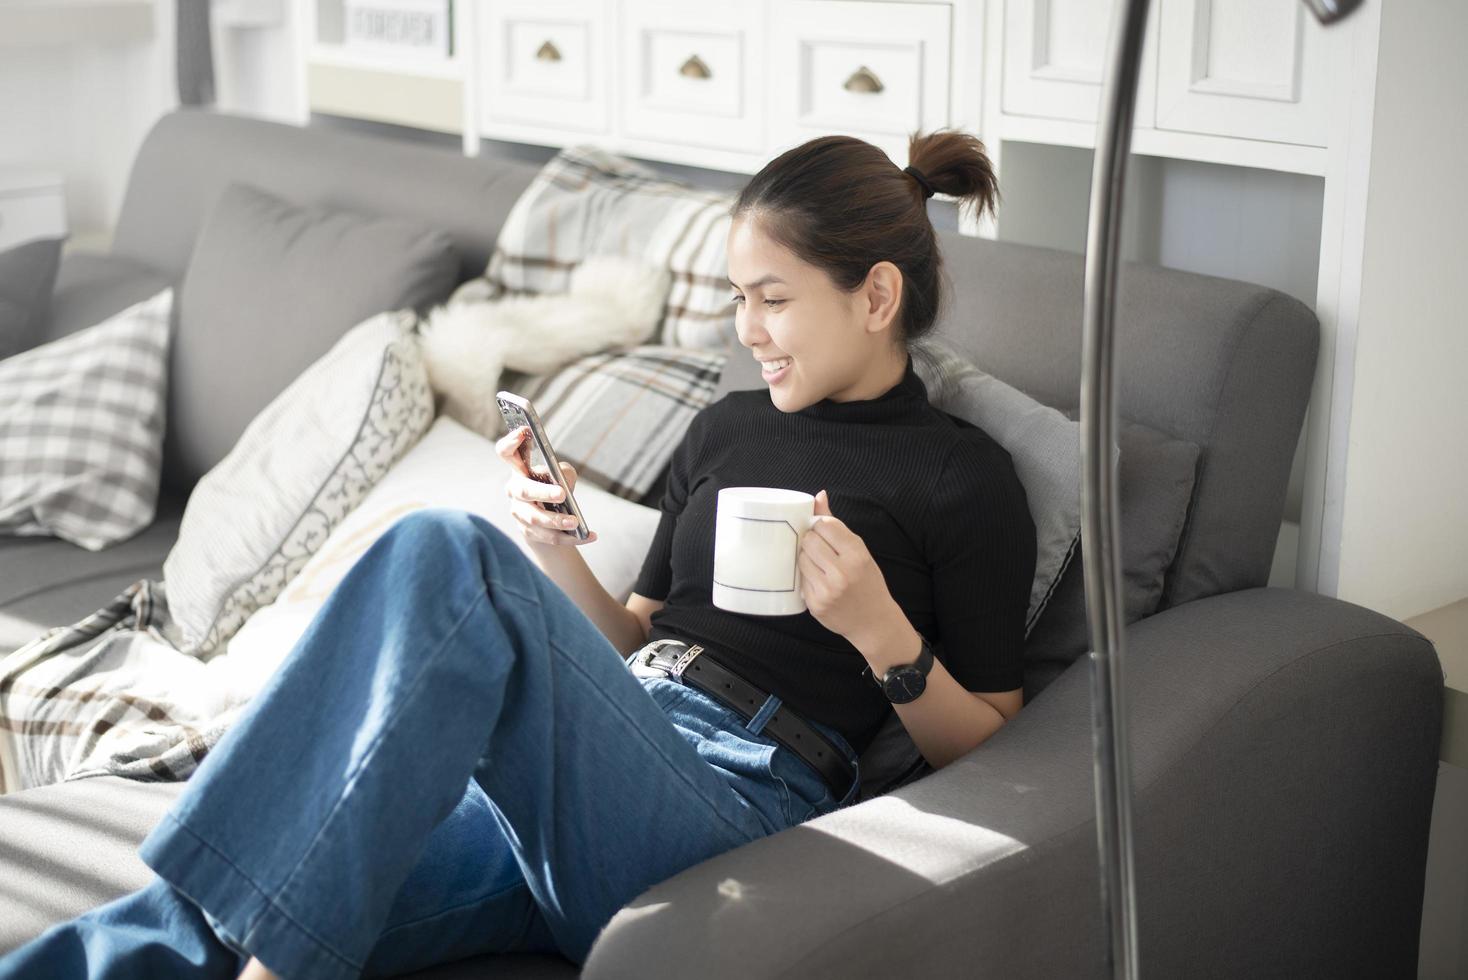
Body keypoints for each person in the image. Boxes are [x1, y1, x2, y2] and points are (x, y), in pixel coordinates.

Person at [0, 128, 1036, 980]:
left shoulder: (960, 476)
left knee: (445, 550)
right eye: (735, 297)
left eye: (773, 297)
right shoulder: (727, 429)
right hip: (595, 751)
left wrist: (880, 633)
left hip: (738, 800)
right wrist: (555, 550)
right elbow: (636, 633)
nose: (748, 329)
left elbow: (990, 741)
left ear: (876, 296)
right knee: (232, 896)